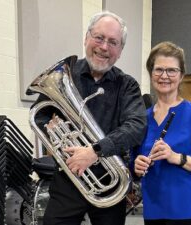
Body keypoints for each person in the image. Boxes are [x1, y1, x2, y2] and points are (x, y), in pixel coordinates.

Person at [32, 11, 147, 225]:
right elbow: (40, 113)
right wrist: (51, 127)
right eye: (99, 37)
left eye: (113, 42)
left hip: (109, 181)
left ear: (120, 51)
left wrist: (94, 151)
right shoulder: (64, 74)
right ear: (86, 38)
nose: (104, 47)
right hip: (69, 176)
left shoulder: (127, 85)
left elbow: (137, 126)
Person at [132, 41, 191, 225]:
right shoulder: (142, 118)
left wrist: (176, 157)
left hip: (187, 211)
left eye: (171, 70)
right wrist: (136, 165)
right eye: (159, 70)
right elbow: (133, 161)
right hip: (153, 210)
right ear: (151, 73)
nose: (164, 76)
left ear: (181, 76)